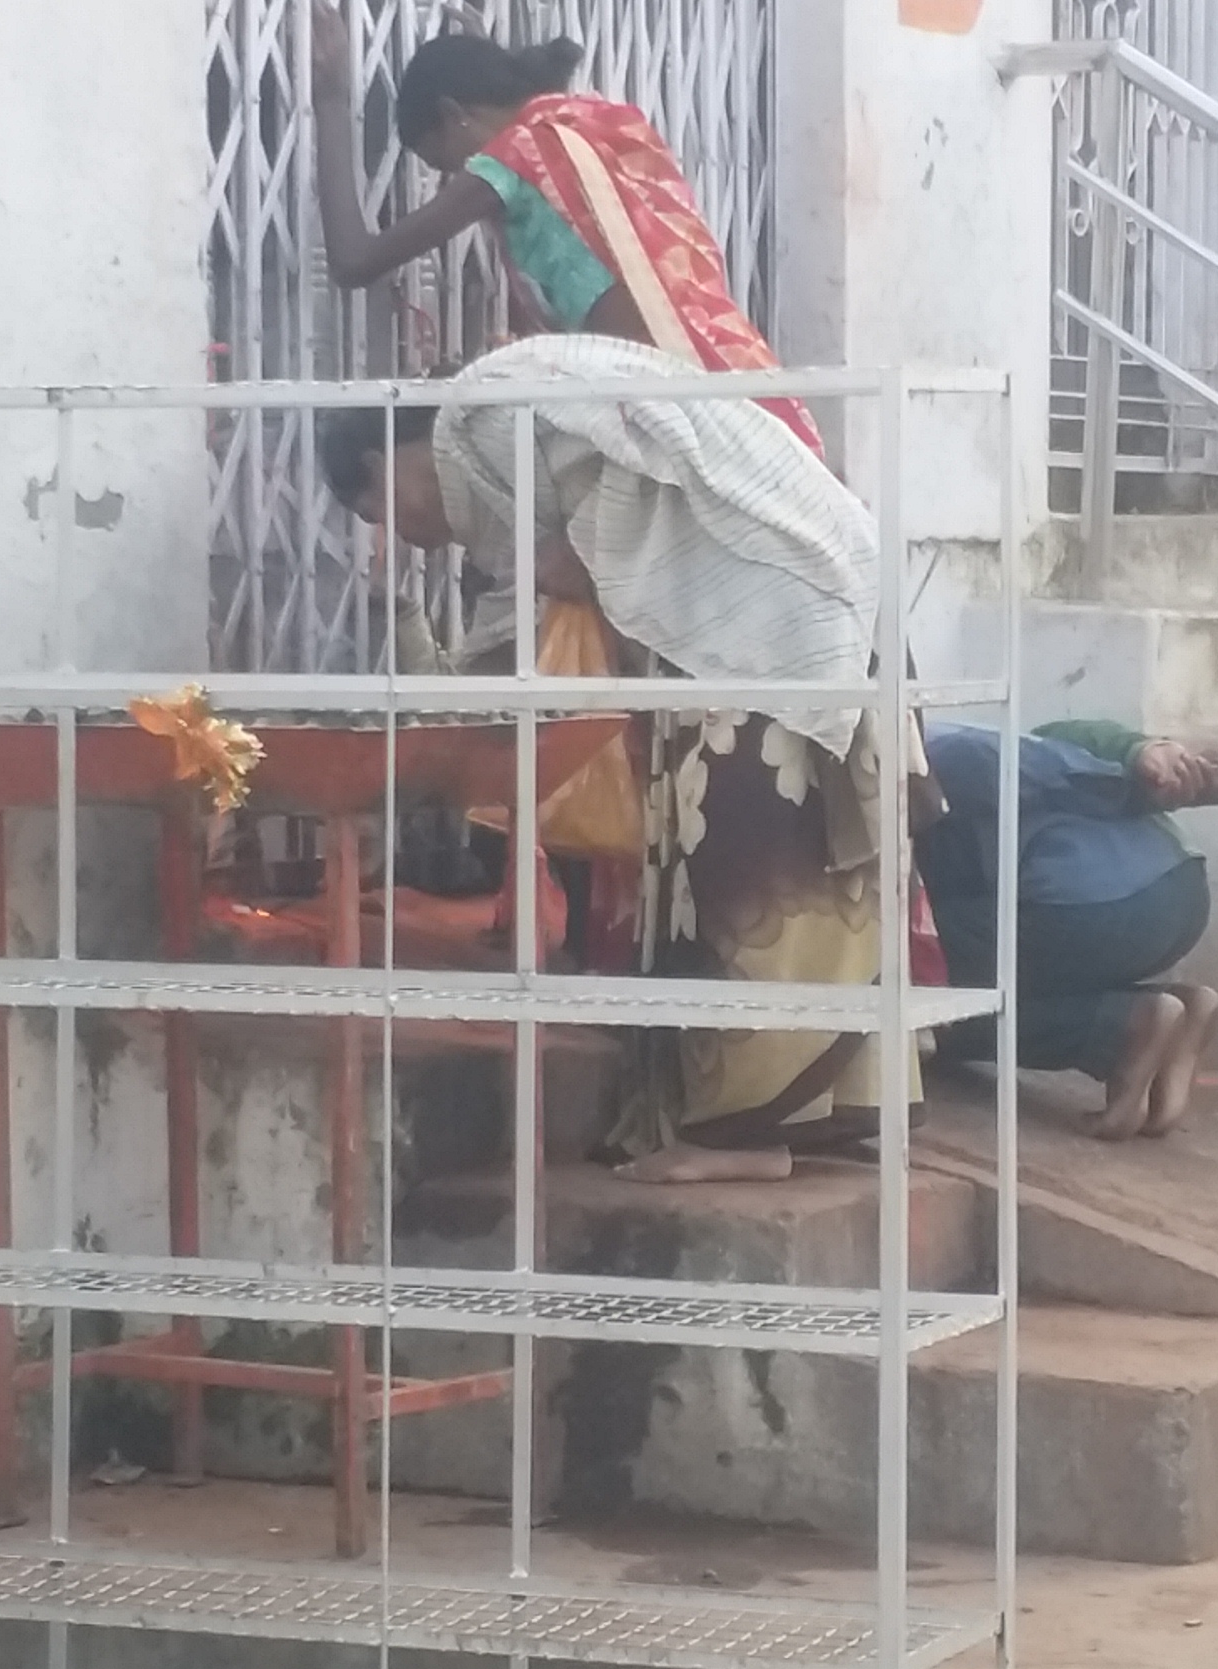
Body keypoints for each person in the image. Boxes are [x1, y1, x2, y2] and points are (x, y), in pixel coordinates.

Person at [317, 335, 902, 1183]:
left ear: (383, 463)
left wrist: (561, 568)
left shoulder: (480, 424)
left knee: (739, 875)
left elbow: (601, 526)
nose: (407, 539)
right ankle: (793, 1124)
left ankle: (736, 1140)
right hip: (808, 589)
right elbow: (478, 684)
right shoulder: (506, 428)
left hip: (759, 617)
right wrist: (406, 610)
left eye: (384, 517)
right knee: (794, 876)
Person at [306, 19, 819, 448]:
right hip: (741, 375)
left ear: (454, 114)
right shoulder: (601, 123)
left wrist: (330, 102)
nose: (455, 178)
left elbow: (355, 261)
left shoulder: (515, 160)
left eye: (444, 162)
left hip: (679, 413)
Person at [916, 720, 1218, 1141]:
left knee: (914, 986)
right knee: (956, 960)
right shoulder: (984, 733)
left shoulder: (930, 753)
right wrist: (1137, 754)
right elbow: (1059, 742)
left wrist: (1140, 763)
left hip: (1099, 900)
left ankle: (1120, 1028)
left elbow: (1016, 761)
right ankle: (1177, 1009)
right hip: (1181, 887)